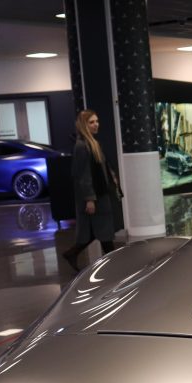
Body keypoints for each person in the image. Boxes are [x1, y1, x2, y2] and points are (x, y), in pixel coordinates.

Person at [63, 109, 123, 271]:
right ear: (84, 125)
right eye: (91, 122)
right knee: (103, 231)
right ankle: (114, 263)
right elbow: (83, 175)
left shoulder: (92, 143)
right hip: (95, 195)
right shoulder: (82, 146)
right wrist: (90, 199)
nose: (96, 124)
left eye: (97, 121)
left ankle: (72, 253)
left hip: (100, 193)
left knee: (99, 230)